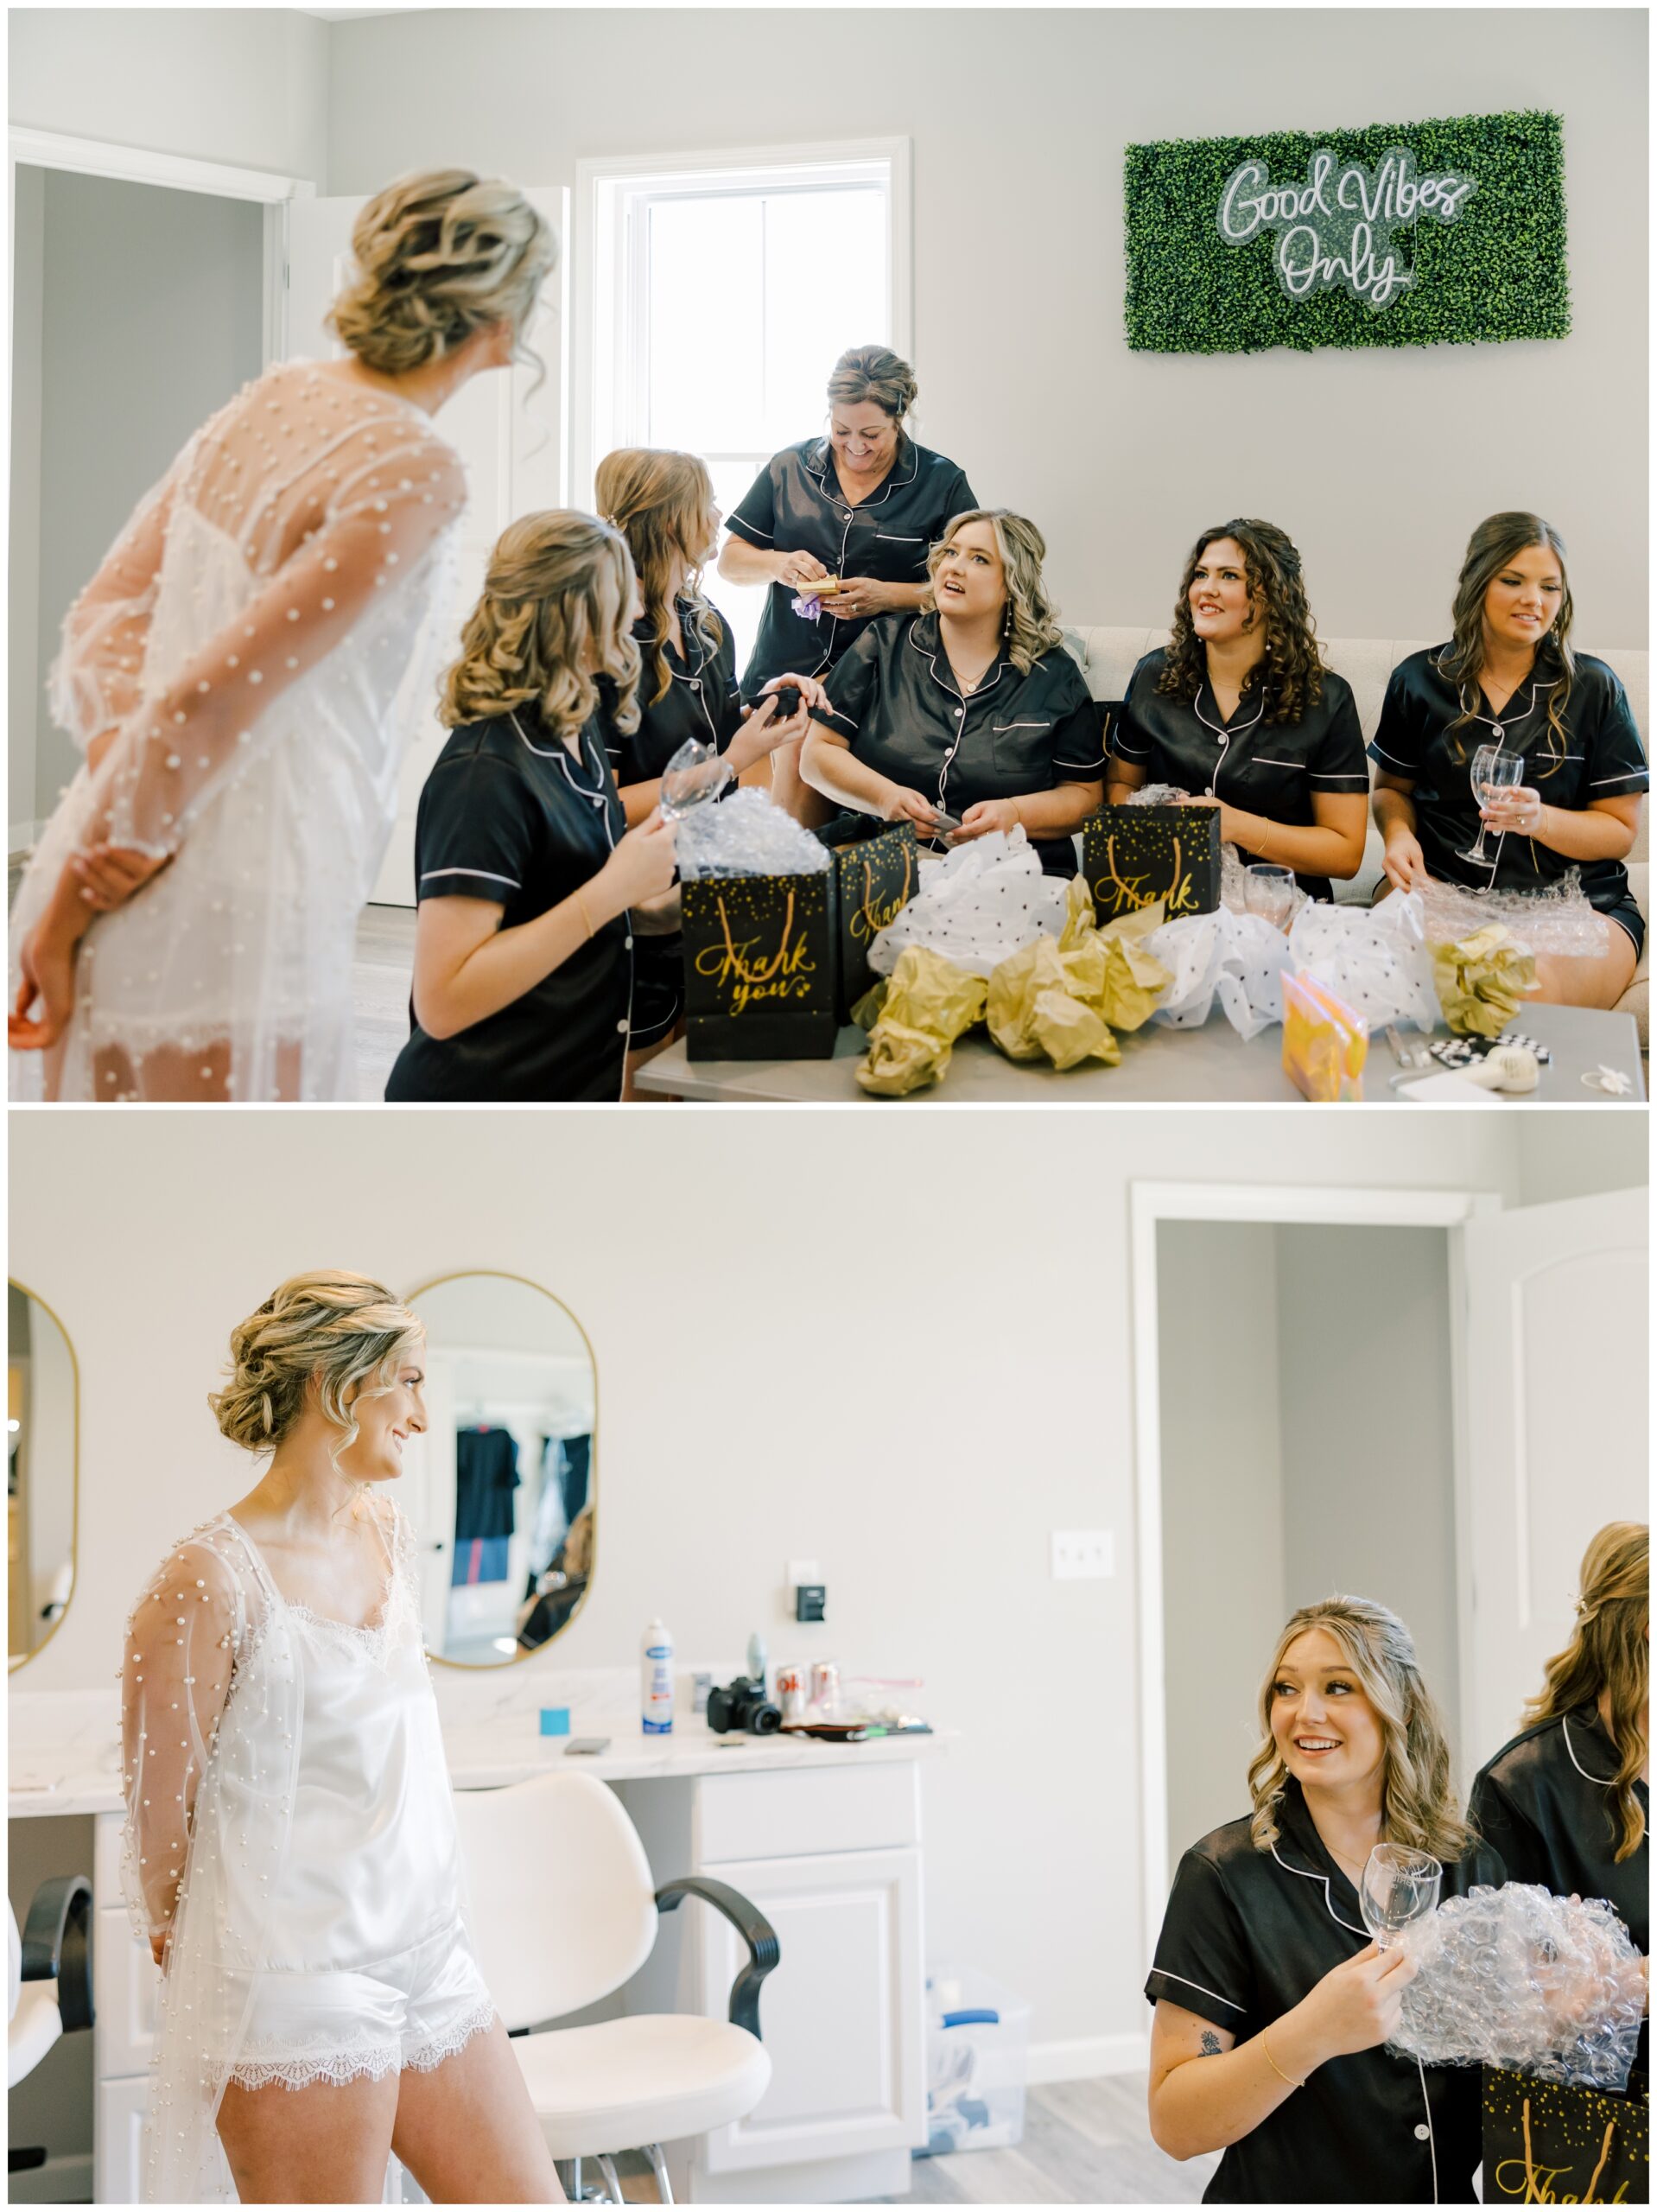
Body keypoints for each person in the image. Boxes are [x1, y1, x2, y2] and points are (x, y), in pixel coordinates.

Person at [9, 168, 557, 1103]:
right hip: (237, 886)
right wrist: (78, 898)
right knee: (223, 1211)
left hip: (114, 842)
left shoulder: (272, 397)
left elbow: (102, 619)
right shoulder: (415, 467)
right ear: (500, 317)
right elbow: (206, 702)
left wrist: (111, 815)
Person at [120, 1272, 560, 2205]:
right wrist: (199, 1956)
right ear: (337, 1387)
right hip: (296, 1980)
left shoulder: (390, 1536)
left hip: (431, 1952)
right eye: (409, 1380)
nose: (423, 1414)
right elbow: (163, 1815)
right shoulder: (204, 1578)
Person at [1146, 1595, 1503, 2202]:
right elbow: (1176, 2125)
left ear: (1402, 1708)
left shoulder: (1468, 1865)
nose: (1305, 1713)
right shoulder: (1224, 1877)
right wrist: (1314, 2031)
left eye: (1338, 1688)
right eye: (1286, 1689)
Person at [384, 512, 677, 1102]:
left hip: (565, 1084)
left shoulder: (573, 723)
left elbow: (560, 899)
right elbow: (442, 1001)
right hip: (485, 1102)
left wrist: (665, 907)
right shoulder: (482, 776)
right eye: (623, 597)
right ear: (571, 614)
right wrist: (613, 892)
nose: (640, 614)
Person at [592, 448, 828, 1082]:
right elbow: (600, 809)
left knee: (697, 1068)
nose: (721, 516)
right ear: (671, 522)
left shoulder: (703, 622)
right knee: (643, 1073)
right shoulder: (607, 646)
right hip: (630, 895)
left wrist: (767, 708)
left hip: (698, 880)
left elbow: (725, 726)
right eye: (708, 503)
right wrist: (730, 764)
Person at [1369, 512, 1647, 1006]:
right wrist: (1397, 834)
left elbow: (1620, 832)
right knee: (1409, 988)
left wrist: (1540, 820)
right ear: (1478, 583)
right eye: (1513, 580)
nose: (1533, 600)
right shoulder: (1418, 680)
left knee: (1516, 990)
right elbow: (1392, 790)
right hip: (1441, 888)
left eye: (1549, 587)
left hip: (1574, 903)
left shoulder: (1595, 687)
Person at [718, 345, 977, 817]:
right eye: (841, 431)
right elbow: (730, 562)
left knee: (799, 784)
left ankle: (797, 879)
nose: (855, 445)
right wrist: (779, 565)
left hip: (882, 681)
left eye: (871, 433)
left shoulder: (941, 483)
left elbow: (972, 588)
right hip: (782, 668)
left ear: (901, 419)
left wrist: (889, 597)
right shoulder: (788, 468)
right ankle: (791, 879)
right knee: (763, 808)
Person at [800, 509, 1105, 875]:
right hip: (885, 864)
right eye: (951, 552)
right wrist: (884, 797)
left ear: (1011, 584)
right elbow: (817, 754)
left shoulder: (1054, 674)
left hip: (1011, 877)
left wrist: (1015, 813)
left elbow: (1085, 796)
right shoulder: (883, 643)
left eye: (979, 558)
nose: (955, 567)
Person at [1468, 1522, 1647, 2087]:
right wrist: (1627, 1987)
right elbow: (1500, 2014)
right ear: (1641, 1627)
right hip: (1610, 2138)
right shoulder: (1522, 1789)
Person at [1107, 519, 1368, 905]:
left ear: (1274, 595)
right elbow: (1120, 786)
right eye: (1201, 574)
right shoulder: (1153, 675)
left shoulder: (1326, 699)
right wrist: (1145, 833)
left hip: (1280, 908)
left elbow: (1345, 853)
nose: (1206, 589)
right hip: (1168, 892)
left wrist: (1237, 826)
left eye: (1229, 576)